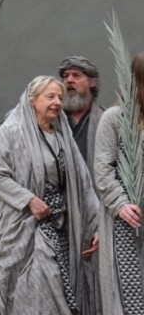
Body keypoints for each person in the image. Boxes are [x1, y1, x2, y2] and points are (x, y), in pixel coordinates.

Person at [0, 76, 99, 314]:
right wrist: (28, 199)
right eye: (50, 96)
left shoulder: (63, 137)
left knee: (56, 290)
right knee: (34, 288)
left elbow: (83, 182)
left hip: (59, 228)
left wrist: (94, 227)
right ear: (32, 100)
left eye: (60, 97)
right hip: (21, 227)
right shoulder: (11, 131)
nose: (56, 102)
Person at [95, 51, 144, 314]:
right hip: (124, 219)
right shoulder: (114, 118)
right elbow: (103, 172)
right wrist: (121, 204)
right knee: (126, 293)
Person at [59, 56, 104, 173]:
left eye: (76, 75)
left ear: (92, 82)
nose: (69, 80)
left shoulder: (105, 119)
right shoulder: (53, 118)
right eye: (65, 76)